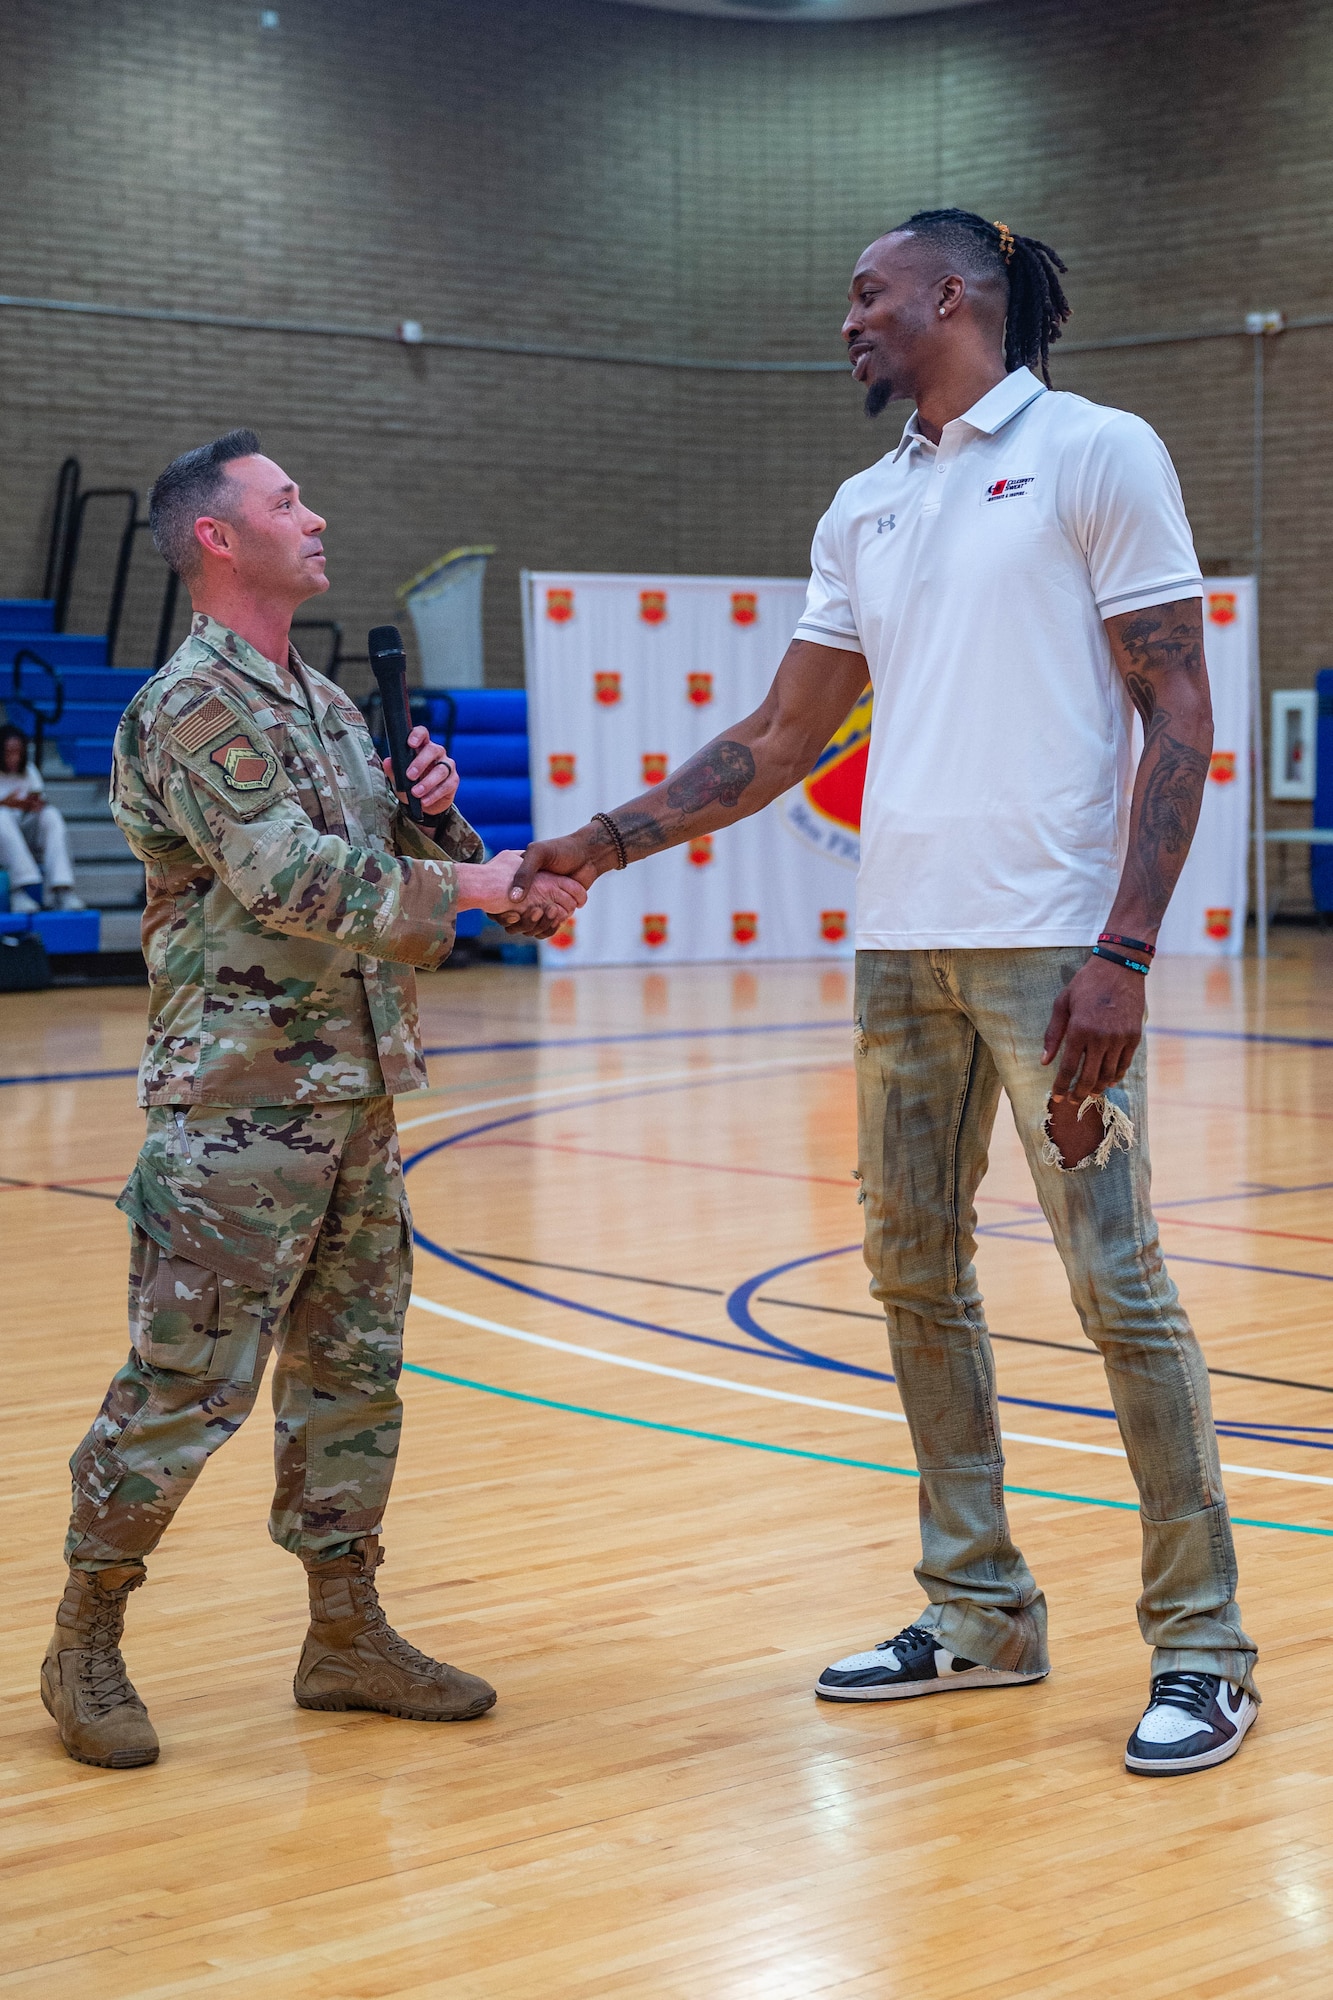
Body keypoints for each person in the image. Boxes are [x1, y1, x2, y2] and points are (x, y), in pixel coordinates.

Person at [511, 210, 1259, 1778]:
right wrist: (597, 844)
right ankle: (979, 1611)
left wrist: (1125, 949)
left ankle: (1202, 1651)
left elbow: (1174, 704)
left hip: (1056, 945)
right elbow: (782, 741)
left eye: (865, 294)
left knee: (1118, 1290)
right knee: (913, 1277)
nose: (846, 320)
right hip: (899, 948)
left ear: (949, 295)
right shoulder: (867, 502)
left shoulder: (1093, 450)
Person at [43, 428, 583, 1770]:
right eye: (288, 500)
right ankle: (84, 1640)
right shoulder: (192, 705)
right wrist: (475, 882)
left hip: (353, 1098)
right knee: (186, 1383)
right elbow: (291, 879)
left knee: (351, 1380)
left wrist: (446, 831)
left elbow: (387, 879)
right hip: (236, 1108)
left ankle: (344, 1633)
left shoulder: (328, 707)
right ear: (216, 539)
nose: (317, 515)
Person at [0, 722, 83, 912]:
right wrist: (6, 803)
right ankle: (19, 889)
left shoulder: (28, 771)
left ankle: (61, 889)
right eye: (9, 752)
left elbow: (40, 801)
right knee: (2, 816)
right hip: (3, 834)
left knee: (51, 815)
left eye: (18, 752)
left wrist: (33, 805)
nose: (14, 757)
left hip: (25, 830)